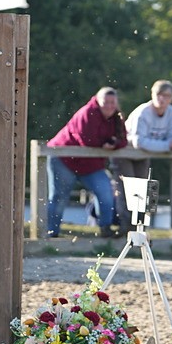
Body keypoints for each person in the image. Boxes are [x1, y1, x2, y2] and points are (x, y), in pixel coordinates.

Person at [46, 87, 127, 238]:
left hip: (91, 164)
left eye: (112, 102)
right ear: (98, 101)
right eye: (106, 102)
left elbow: (123, 139)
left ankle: (106, 228)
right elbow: (86, 140)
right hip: (65, 159)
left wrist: (113, 144)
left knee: (106, 192)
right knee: (59, 197)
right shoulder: (87, 113)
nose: (109, 106)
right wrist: (105, 144)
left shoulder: (117, 118)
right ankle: (51, 233)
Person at [113, 80, 172, 230]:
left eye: (166, 95)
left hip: (144, 156)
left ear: (171, 98)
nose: (162, 99)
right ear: (152, 95)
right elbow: (139, 142)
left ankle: (141, 228)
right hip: (125, 153)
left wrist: (169, 145)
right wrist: (167, 146)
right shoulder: (143, 112)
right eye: (159, 94)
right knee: (127, 190)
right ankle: (125, 227)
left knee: (145, 191)